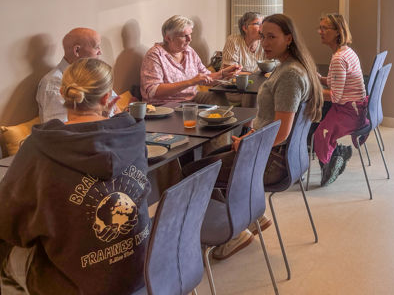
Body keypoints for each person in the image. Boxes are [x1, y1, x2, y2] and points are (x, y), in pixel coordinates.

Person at [0, 58, 149, 295]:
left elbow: (8, 222)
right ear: (106, 98)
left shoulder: (39, 148)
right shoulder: (133, 135)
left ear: (62, 93)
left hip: (71, 285)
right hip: (138, 273)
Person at [182, 13, 323, 260]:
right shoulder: (291, 68)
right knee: (209, 159)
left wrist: (247, 142)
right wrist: (249, 139)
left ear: (288, 38)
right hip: (278, 156)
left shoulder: (290, 75)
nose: (265, 43)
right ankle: (251, 214)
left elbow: (280, 132)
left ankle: (235, 233)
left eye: (272, 37)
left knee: (193, 173)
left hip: (271, 161)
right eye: (262, 36)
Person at [313, 14, 368, 187]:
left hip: (349, 112)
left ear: (337, 32)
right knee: (318, 120)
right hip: (357, 107)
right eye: (319, 27)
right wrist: (320, 78)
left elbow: (335, 96)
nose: (320, 31)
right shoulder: (346, 52)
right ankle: (338, 152)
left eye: (324, 28)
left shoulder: (338, 58)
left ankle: (332, 164)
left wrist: (312, 91)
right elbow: (337, 82)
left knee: (318, 133)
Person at [140, 15, 239, 106]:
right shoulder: (155, 55)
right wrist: (191, 82)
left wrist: (223, 74)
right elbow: (153, 91)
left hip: (191, 98)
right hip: (166, 104)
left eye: (190, 34)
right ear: (168, 38)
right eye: (184, 36)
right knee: (196, 113)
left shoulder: (189, 51)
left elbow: (205, 78)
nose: (189, 39)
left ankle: (227, 125)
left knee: (217, 97)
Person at [36, 27, 117, 122]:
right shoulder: (54, 82)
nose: (100, 52)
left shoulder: (94, 73)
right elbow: (60, 130)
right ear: (77, 51)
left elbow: (115, 106)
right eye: (96, 47)